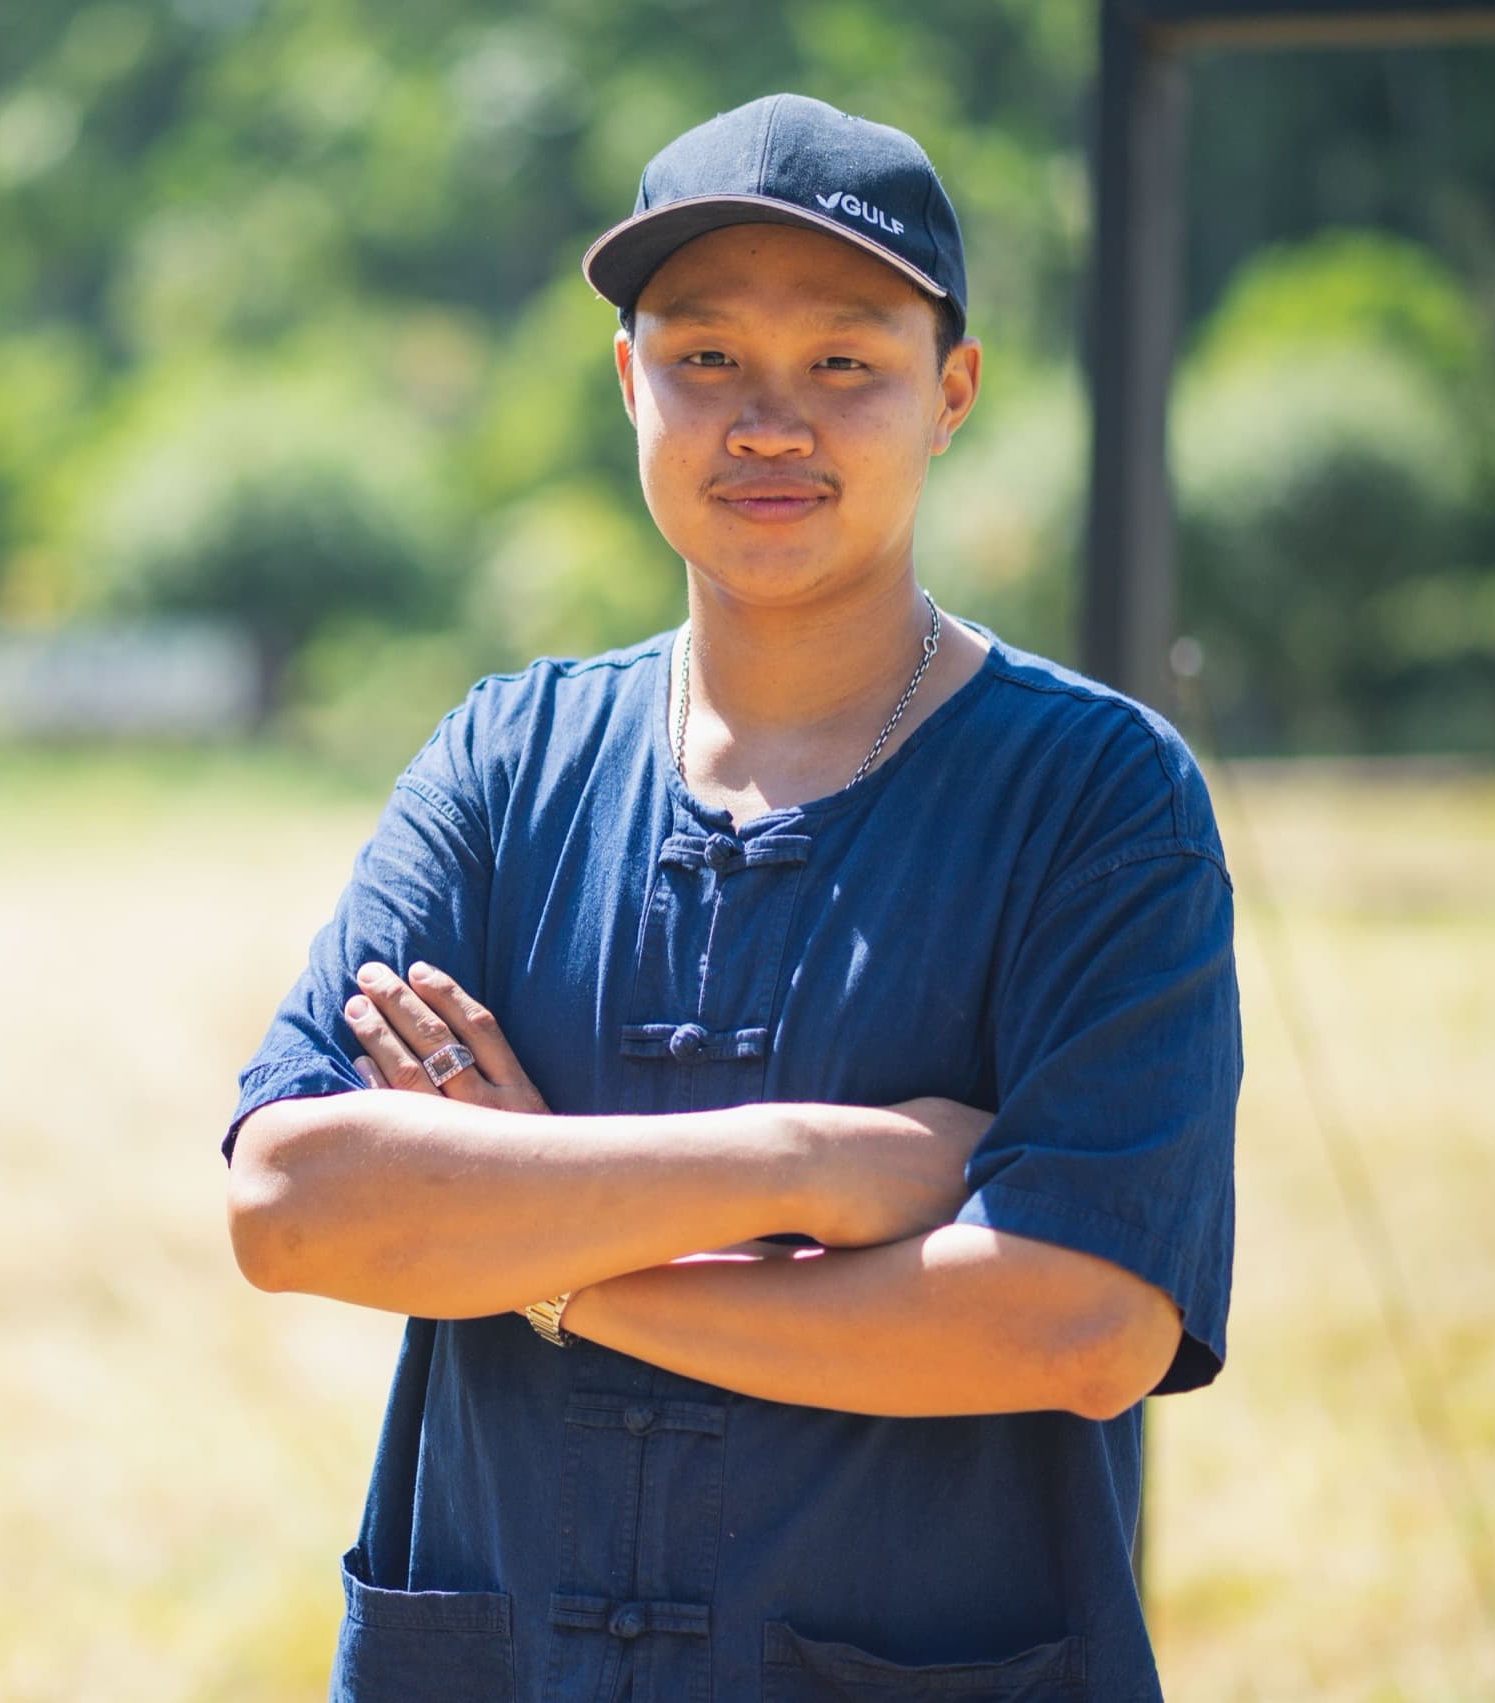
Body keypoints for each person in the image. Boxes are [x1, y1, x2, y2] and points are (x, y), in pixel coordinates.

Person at [222, 91, 1240, 1703]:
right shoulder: (504, 762)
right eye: (706, 360)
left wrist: (541, 1253)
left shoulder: (1095, 799)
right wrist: (819, 1162)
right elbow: (292, 1204)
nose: (771, 421)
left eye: (846, 361)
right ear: (629, 381)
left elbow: (1078, 1320)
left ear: (951, 391)